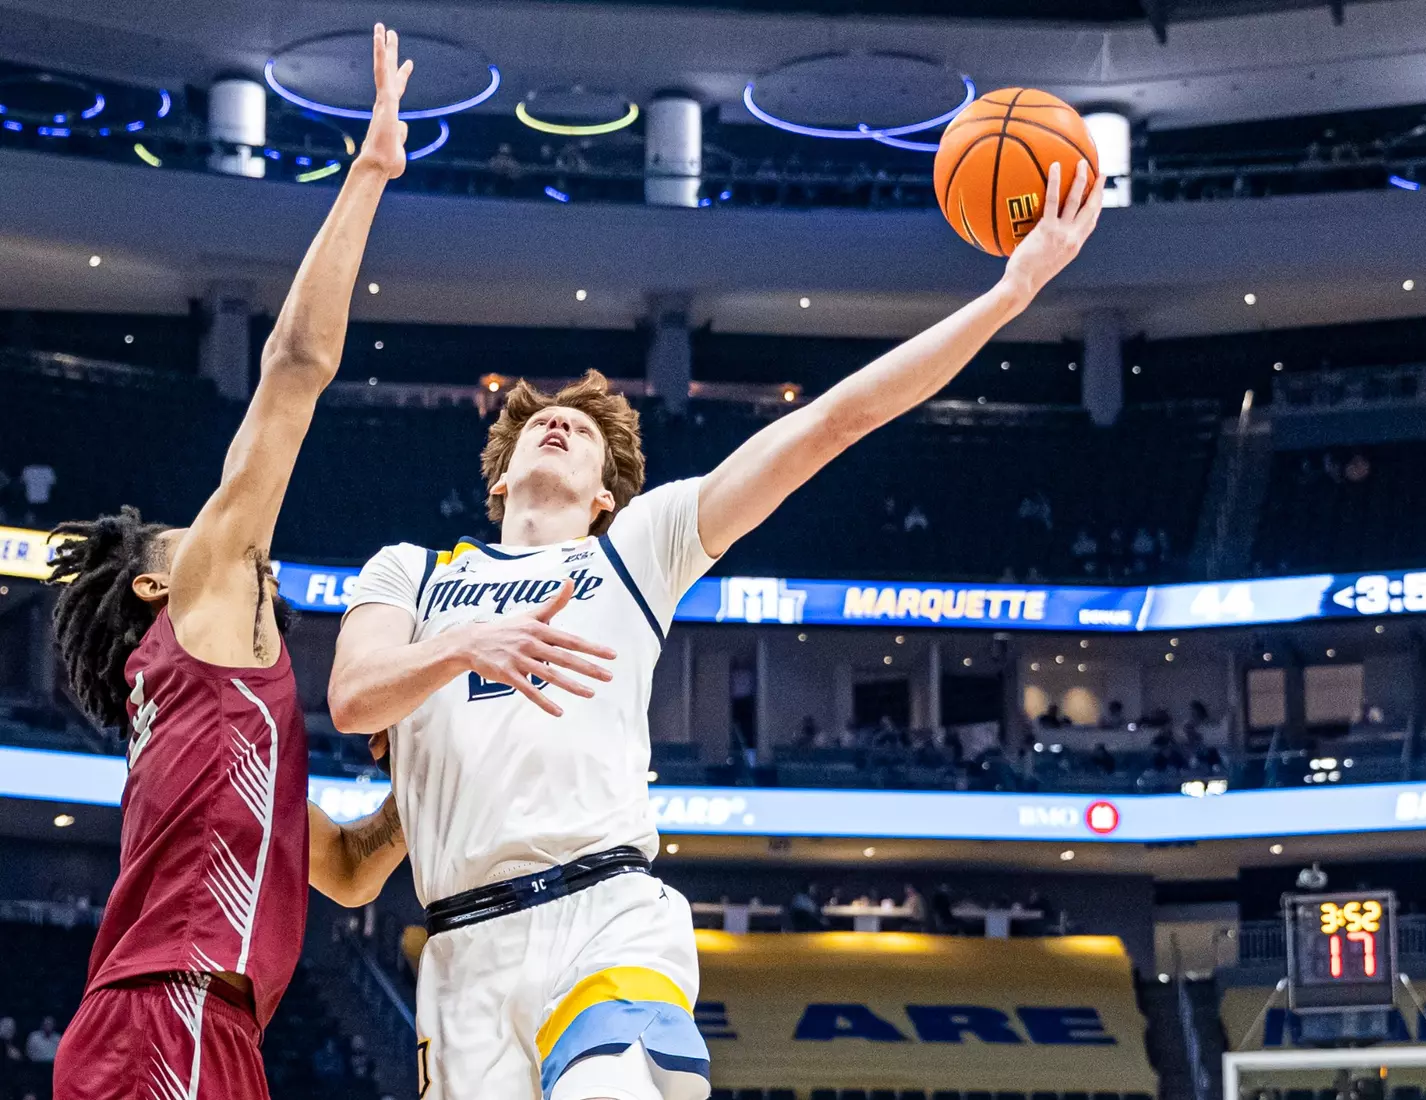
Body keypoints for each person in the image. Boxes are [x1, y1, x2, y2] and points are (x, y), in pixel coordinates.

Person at [327, 157, 1103, 1100]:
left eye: (582, 431)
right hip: (460, 952)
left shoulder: (635, 552)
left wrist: (1011, 294)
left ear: (608, 497)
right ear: (499, 476)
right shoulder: (409, 572)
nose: (561, 427)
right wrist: (465, 646)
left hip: (604, 913)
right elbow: (352, 697)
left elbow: (831, 423)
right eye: (544, 425)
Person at [45, 28, 423, 1100]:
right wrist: (368, 173)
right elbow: (297, 367)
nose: (221, 532)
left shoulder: (237, 734)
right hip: (169, 1009)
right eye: (192, 534)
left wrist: (439, 772)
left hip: (206, 1026)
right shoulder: (196, 625)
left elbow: (346, 870)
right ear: (159, 588)